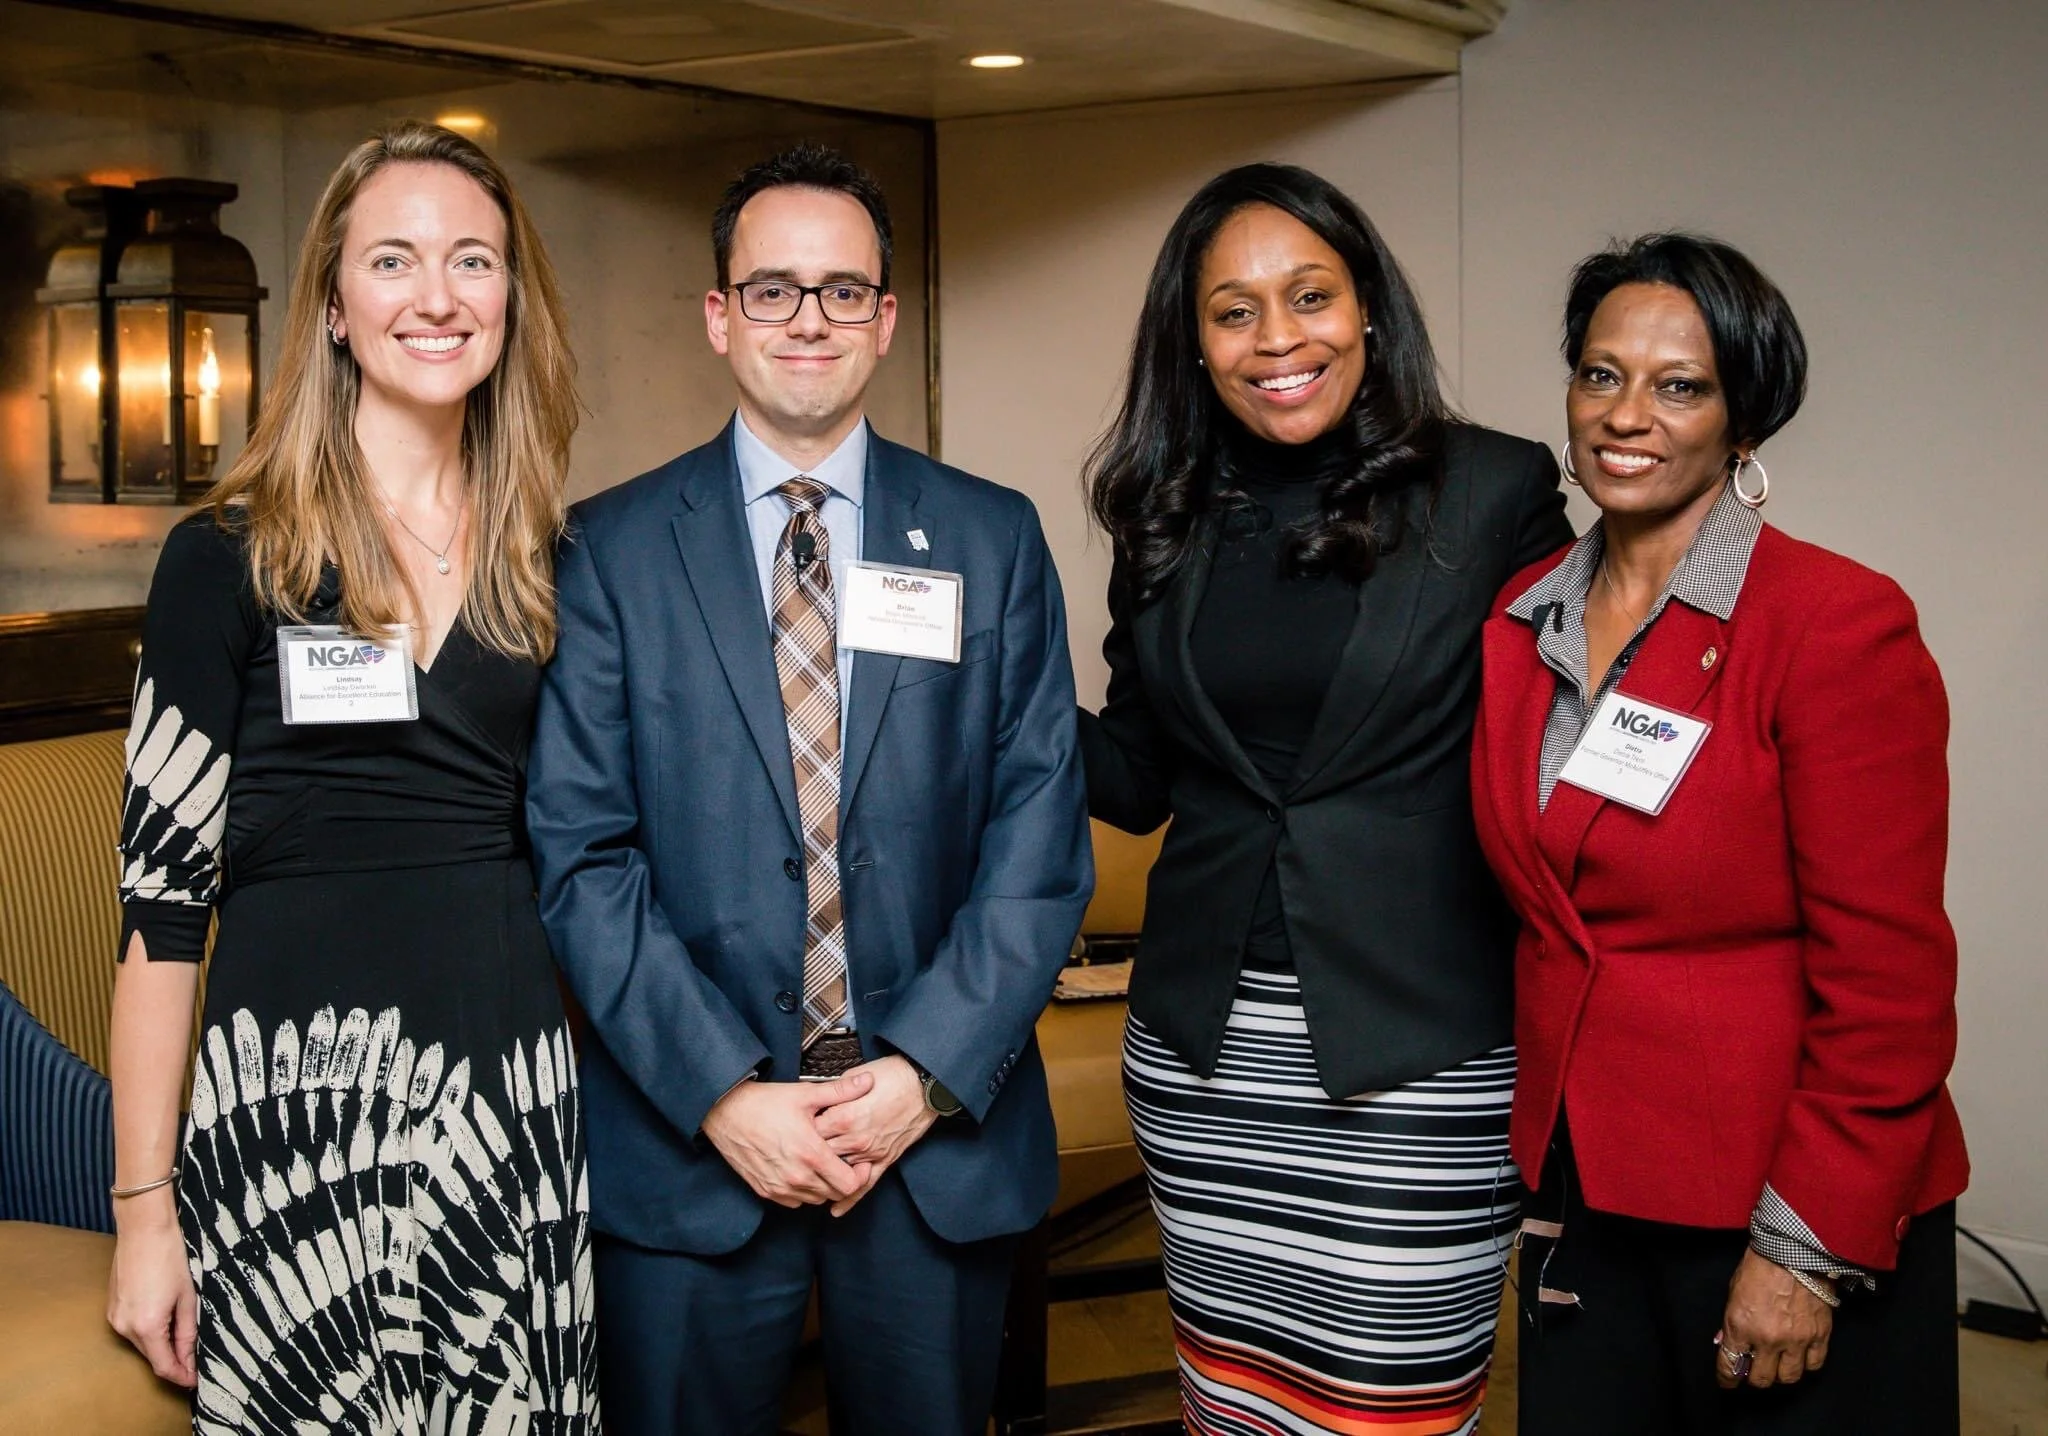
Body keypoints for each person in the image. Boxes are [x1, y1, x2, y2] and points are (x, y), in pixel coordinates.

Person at [525, 142, 1090, 1436]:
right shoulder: (605, 550)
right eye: (772, 289)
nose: (808, 319)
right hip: (694, 1142)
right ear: (719, 316)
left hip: (931, 1138)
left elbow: (1037, 832)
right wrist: (722, 1091)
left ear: (884, 319)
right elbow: (581, 852)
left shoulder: (990, 537)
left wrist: (920, 1075)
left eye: (843, 291)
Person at [105, 121, 598, 1431]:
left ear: (511, 299)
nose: (436, 296)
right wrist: (145, 1211)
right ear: (332, 304)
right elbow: (160, 913)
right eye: (393, 260)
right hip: (297, 1131)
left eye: (472, 260)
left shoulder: (558, 564)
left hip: (504, 1111)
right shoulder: (224, 559)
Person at [1078, 163, 1573, 1435]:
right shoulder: (1162, 511)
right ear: (1192, 342)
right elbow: (1134, 775)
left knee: (1390, 1405)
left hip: (1417, 1047)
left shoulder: (1493, 490)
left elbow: (1559, 745)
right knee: (1230, 1403)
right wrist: (976, 688)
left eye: (1309, 295)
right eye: (1232, 310)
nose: (1276, 338)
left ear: (1366, 308)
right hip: (1200, 1046)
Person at [1470, 232, 1969, 1433]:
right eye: (1599, 374)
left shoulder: (1832, 624)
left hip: (1774, 1206)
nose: (1624, 415)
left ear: (1742, 419)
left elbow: (1888, 984)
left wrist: (1803, 1246)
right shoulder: (1519, 621)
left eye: (1678, 385)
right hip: (1584, 1197)